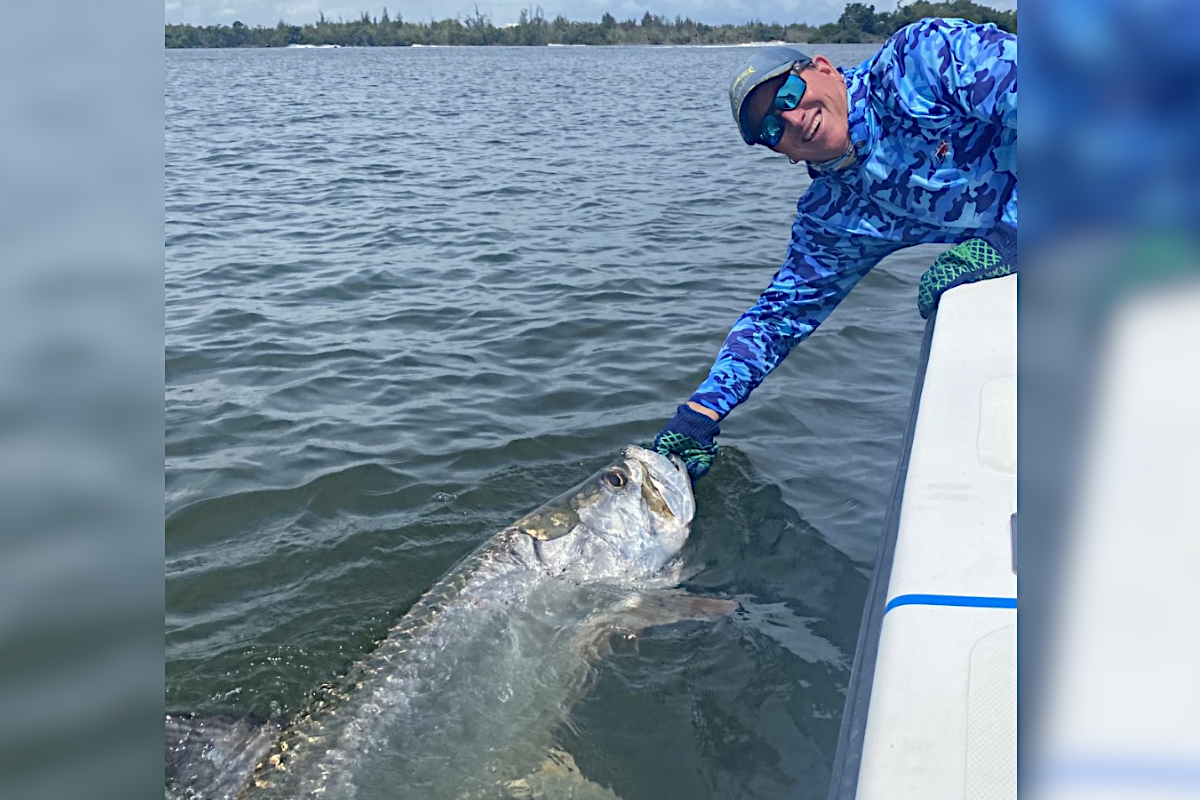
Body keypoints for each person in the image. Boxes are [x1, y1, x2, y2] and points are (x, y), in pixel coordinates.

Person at [653, 17, 1017, 480]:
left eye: (787, 95)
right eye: (771, 129)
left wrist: (1015, 236)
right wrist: (699, 416)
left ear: (823, 67)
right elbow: (778, 318)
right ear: (781, 153)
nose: (791, 119)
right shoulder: (833, 215)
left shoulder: (919, 61)